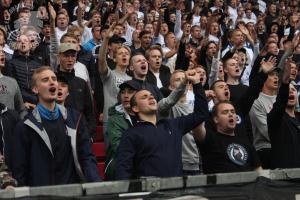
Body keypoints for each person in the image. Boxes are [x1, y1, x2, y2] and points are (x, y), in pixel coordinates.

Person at [12, 66, 101, 186]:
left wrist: (96, 184)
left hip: (73, 193)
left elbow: (87, 157)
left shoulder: (75, 119)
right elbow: (20, 171)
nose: (52, 82)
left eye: (54, 79)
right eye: (45, 80)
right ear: (35, 89)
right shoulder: (25, 126)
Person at [115, 70, 209, 179]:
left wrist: (197, 84)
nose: (151, 97)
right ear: (135, 108)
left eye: (151, 96)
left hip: (176, 192)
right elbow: (123, 169)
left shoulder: (173, 125)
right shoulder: (131, 134)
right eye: (144, 97)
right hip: (149, 193)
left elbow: (200, 114)